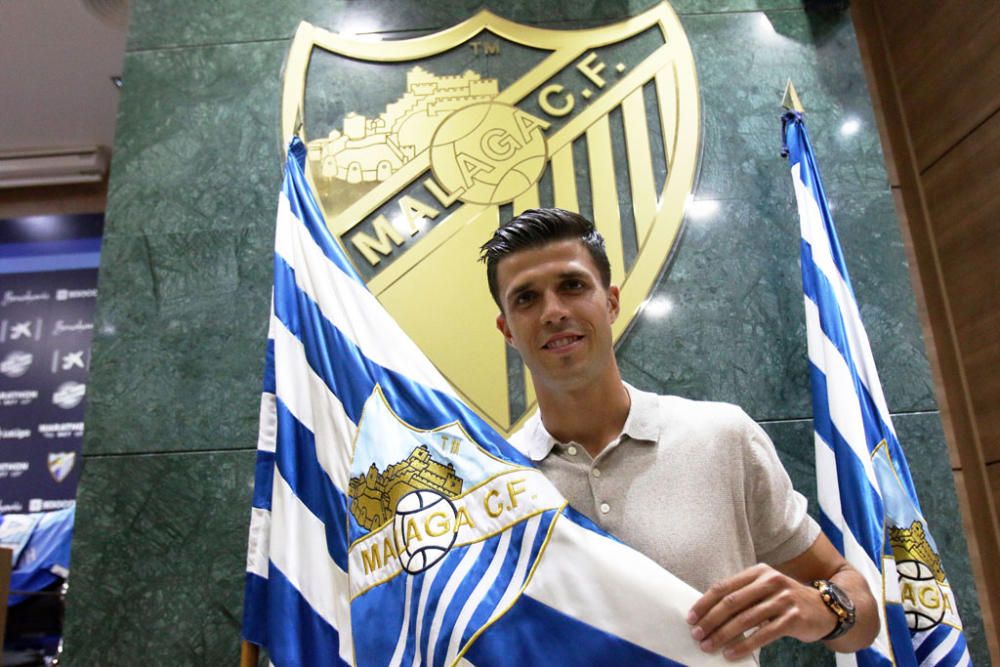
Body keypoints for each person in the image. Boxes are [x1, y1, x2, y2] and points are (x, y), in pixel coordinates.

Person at [479, 208, 878, 662]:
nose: (553, 312)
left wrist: (824, 607)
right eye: (526, 298)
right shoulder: (493, 485)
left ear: (610, 302)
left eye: (572, 286)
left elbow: (860, 617)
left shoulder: (722, 437)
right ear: (507, 329)